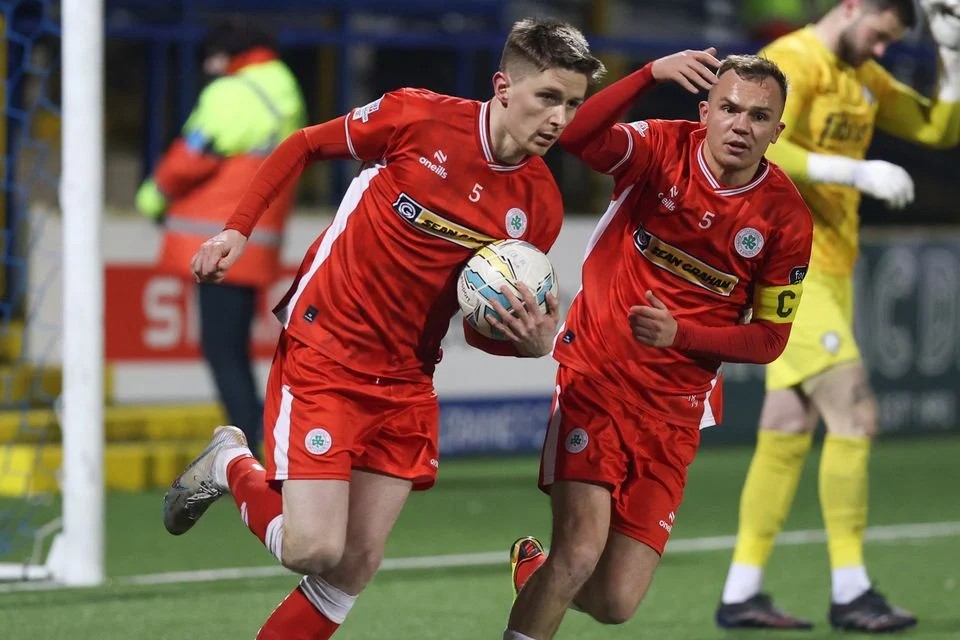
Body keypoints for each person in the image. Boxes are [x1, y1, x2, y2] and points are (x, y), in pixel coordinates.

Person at [160, 18, 606, 640]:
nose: (559, 118)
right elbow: (302, 145)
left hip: (407, 377)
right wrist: (237, 229)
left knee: (353, 567)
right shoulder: (417, 118)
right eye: (548, 97)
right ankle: (231, 461)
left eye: (573, 104)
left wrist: (526, 342)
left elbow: (480, 324)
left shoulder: (540, 206)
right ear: (504, 87)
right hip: (327, 348)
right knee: (313, 548)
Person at [504, 51, 814, 640]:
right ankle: (553, 578)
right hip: (597, 379)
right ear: (705, 113)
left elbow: (771, 339)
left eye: (758, 116)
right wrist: (648, 75)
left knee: (615, 601)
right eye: (729, 109)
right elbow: (580, 137)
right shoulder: (661, 148)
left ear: (777, 131)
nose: (740, 126)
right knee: (579, 552)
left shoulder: (786, 219)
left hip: (675, 413)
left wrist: (682, 336)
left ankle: (538, 576)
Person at [716, 0, 960, 631]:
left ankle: (741, 591)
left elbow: (938, 129)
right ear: (852, 6)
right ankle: (851, 589)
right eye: (878, 35)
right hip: (791, 269)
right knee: (855, 414)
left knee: (787, 425)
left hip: (832, 268)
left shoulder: (861, 76)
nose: (880, 51)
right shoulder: (793, 63)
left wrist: (953, 54)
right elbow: (766, 150)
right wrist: (853, 169)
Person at [135, 18, 307, 445]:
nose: (208, 67)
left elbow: (193, 155)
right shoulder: (282, 88)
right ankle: (253, 446)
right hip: (254, 238)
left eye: (211, 57)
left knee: (223, 352)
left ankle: (249, 451)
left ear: (227, 53)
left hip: (221, 238)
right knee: (232, 351)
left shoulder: (234, 92)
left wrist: (153, 196)